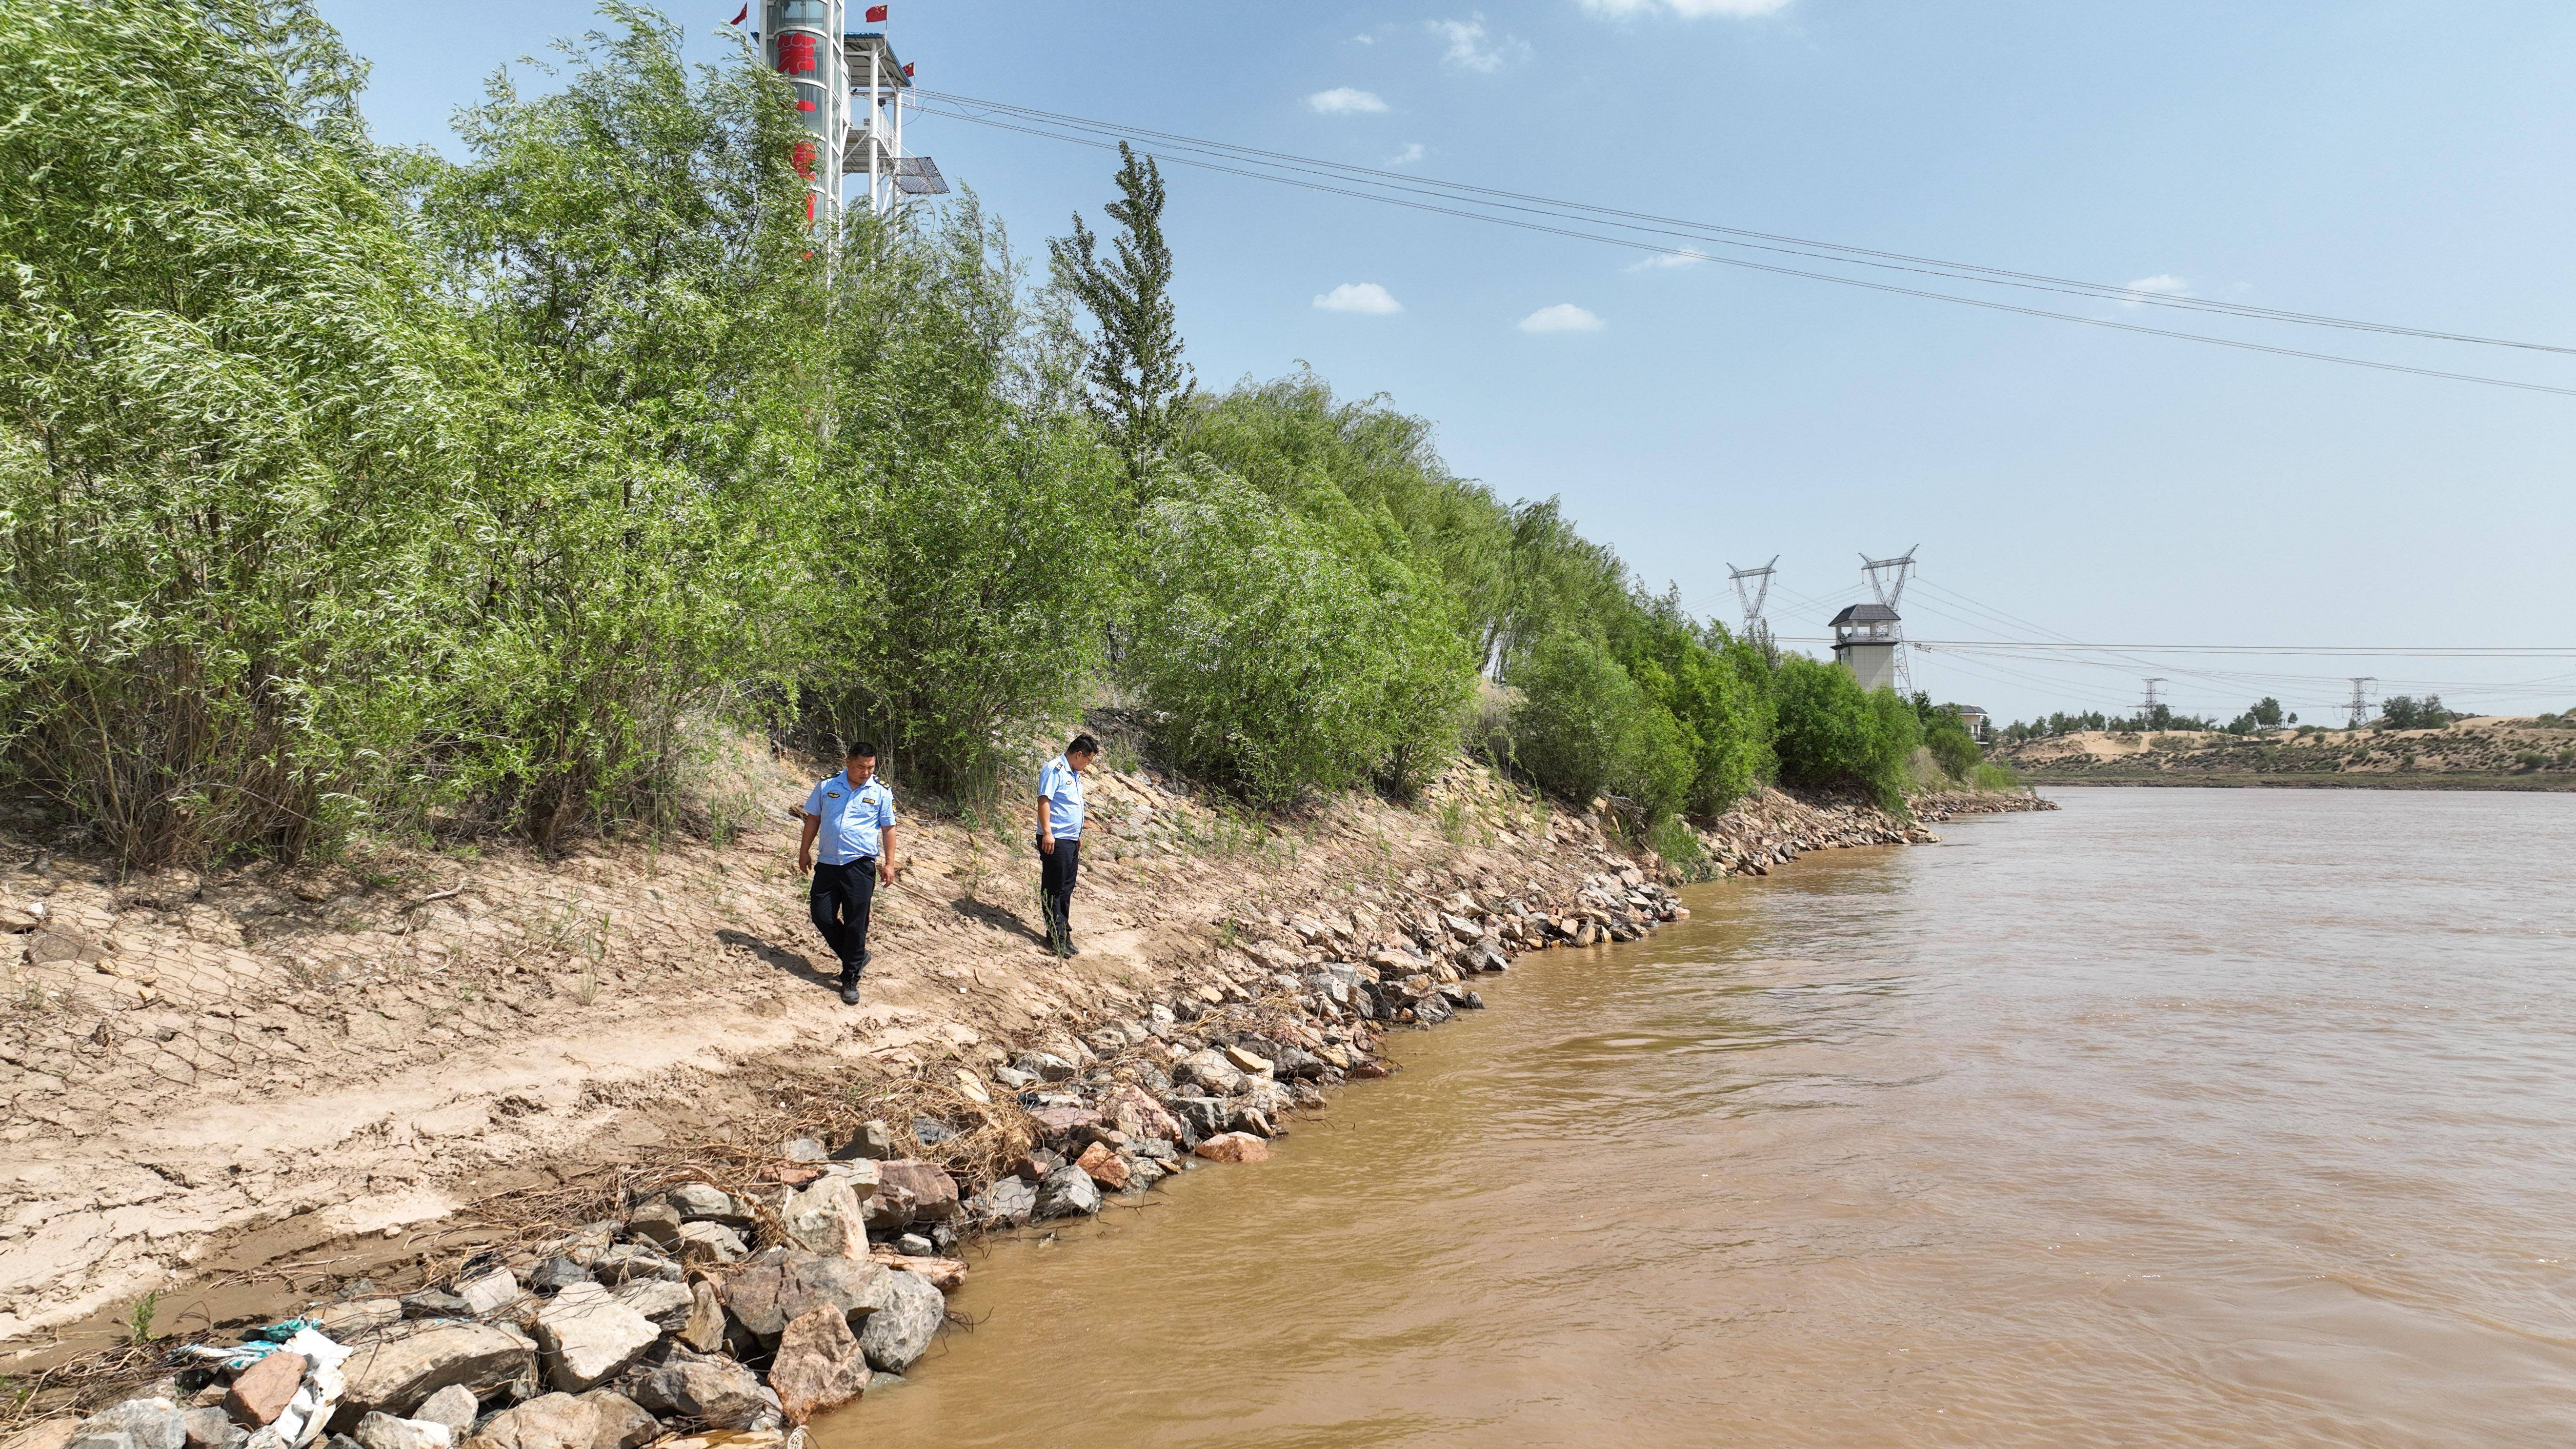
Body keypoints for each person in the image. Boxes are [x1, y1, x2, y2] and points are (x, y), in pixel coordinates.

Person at [799, 742, 898, 1005]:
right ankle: (858, 955)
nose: (866, 772)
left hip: (860, 866)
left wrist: (890, 864)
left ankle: (850, 978)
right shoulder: (827, 786)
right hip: (829, 863)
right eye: (860, 767)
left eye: (871, 767)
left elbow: (888, 828)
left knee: (856, 922)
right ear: (848, 763)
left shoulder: (881, 792)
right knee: (822, 915)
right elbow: (814, 819)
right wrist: (804, 850)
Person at [1034, 734, 1099, 958]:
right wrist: (1048, 833)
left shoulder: (1074, 773)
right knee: (1054, 888)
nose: (1088, 765)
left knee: (1067, 888)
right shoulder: (1055, 769)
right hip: (1056, 840)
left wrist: (1077, 834)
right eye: (1088, 760)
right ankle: (1055, 936)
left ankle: (1064, 933)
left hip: (1071, 840)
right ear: (1079, 754)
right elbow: (1045, 800)